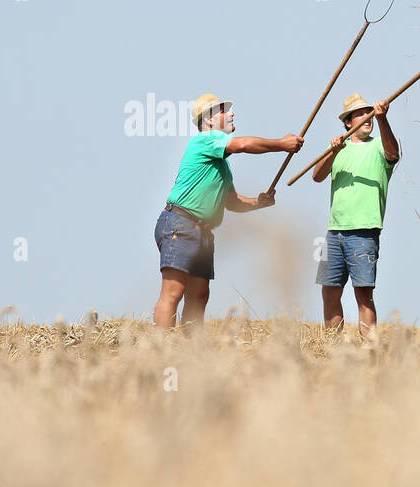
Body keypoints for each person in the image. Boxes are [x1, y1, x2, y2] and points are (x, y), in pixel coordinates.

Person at [153, 93, 302, 330]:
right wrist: (280, 144)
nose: (231, 113)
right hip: (180, 223)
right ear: (209, 121)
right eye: (223, 111)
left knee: (200, 293)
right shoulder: (205, 140)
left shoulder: (221, 163)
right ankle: (161, 346)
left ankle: (190, 349)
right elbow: (242, 144)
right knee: (174, 291)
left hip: (201, 231)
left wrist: (258, 203)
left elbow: (231, 202)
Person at [309, 93, 400, 334]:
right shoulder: (339, 148)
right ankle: (332, 347)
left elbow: (393, 154)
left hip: (364, 231)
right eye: (360, 113)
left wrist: (383, 120)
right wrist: (333, 151)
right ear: (348, 122)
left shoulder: (379, 146)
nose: (366, 117)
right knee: (329, 291)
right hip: (334, 231)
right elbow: (317, 176)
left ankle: (369, 351)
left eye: (368, 112)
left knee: (363, 294)